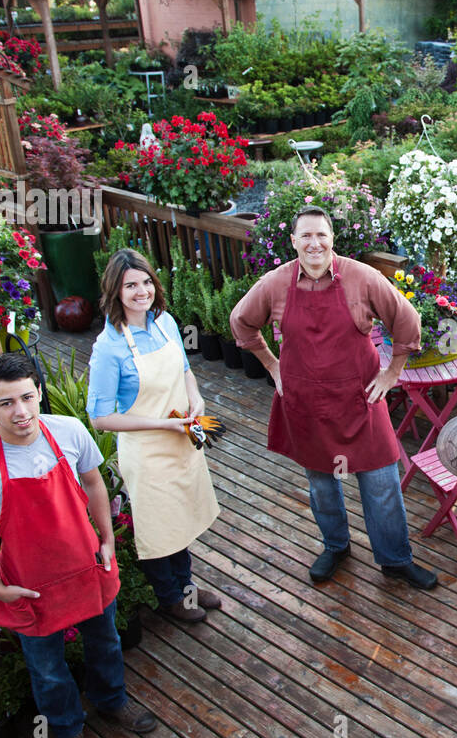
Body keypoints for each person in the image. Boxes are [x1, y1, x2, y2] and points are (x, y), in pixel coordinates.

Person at [0, 352, 157, 738]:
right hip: (28, 582)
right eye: (6, 403)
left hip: (86, 565)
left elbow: (94, 482)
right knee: (46, 667)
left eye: (27, 397)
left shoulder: (68, 431)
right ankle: (65, 730)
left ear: (40, 392)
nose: (21, 411)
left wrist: (107, 540)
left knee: (106, 642)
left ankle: (112, 701)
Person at [230, 205, 438, 590]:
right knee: (322, 485)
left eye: (321, 235)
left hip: (361, 400)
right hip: (305, 405)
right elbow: (241, 322)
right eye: (305, 236)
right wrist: (272, 366)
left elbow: (406, 319)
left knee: (382, 483)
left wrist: (392, 372)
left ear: (332, 239)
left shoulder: (362, 278)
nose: (314, 243)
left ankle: (395, 560)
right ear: (293, 242)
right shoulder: (275, 283)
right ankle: (336, 546)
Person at [87, 249, 222, 623]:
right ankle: (170, 598)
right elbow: (100, 418)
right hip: (147, 451)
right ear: (115, 291)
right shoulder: (108, 347)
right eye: (130, 285)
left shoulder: (165, 323)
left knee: (182, 517)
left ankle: (187, 586)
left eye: (146, 282)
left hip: (183, 439)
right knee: (158, 527)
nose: (141, 291)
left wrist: (196, 397)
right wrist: (163, 424)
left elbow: (184, 370)